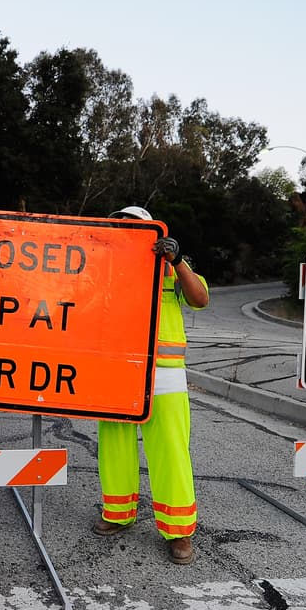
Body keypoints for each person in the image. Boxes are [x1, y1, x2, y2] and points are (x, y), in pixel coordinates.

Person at [94, 205, 209, 565]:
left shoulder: (173, 270)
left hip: (165, 374)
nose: (124, 231)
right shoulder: (104, 270)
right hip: (116, 371)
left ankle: (179, 532)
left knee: (171, 451)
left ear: (153, 234)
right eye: (119, 226)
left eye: (133, 227)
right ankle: (117, 513)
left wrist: (176, 262)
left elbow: (200, 298)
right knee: (114, 446)